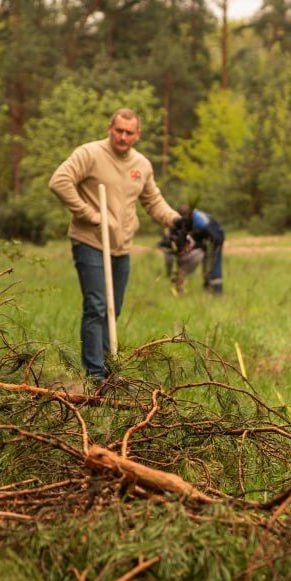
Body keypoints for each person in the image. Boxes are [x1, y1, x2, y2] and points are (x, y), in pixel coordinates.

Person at [49, 108, 181, 380]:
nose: (122, 136)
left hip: (121, 246)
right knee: (97, 305)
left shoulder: (141, 165)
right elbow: (59, 181)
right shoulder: (90, 154)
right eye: (118, 130)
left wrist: (175, 220)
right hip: (90, 241)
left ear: (137, 135)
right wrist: (88, 214)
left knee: (113, 309)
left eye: (129, 132)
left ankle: (111, 371)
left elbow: (153, 201)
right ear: (110, 128)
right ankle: (95, 374)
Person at [175, 205, 225, 294]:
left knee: (213, 263)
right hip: (207, 237)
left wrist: (200, 245)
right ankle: (207, 287)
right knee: (206, 263)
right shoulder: (192, 218)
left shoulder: (201, 222)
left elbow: (212, 236)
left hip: (215, 237)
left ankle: (216, 291)